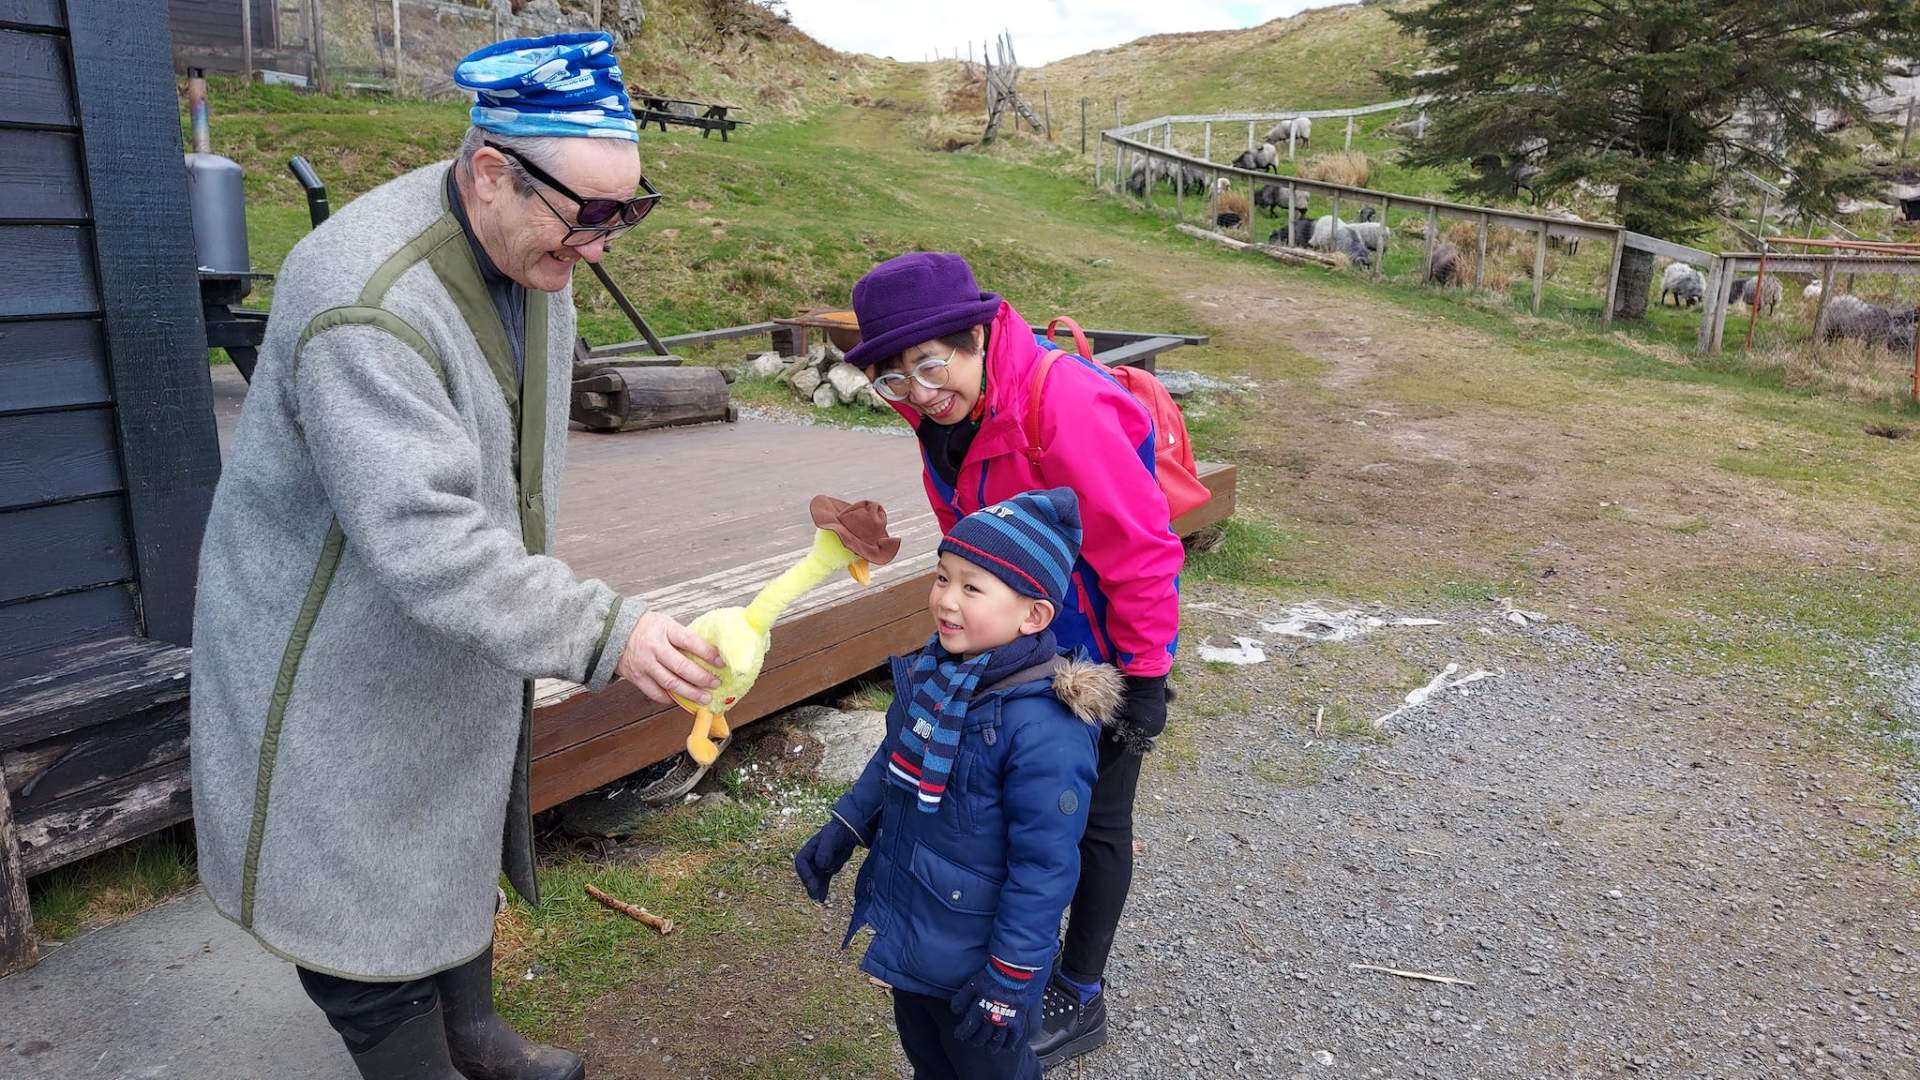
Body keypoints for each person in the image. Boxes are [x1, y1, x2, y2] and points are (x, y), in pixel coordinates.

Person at [189, 33, 721, 1080]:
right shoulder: (369, 303)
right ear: (490, 171)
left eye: (628, 209)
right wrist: (604, 630)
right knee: (358, 893)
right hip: (330, 642)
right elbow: (425, 541)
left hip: (448, 634)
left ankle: (473, 1035)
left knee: (449, 823)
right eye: (589, 214)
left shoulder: (535, 250)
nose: (604, 243)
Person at [841, 252, 1183, 1066]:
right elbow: (967, 538)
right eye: (895, 380)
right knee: (1010, 813)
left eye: (932, 365)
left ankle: (1080, 988)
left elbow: (1140, 547)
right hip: (1013, 649)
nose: (919, 393)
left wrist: (1146, 676)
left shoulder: (1062, 401)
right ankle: (999, 959)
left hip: (1094, 662)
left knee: (1093, 821)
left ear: (978, 337)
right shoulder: (938, 418)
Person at [793, 489, 1122, 1080]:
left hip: (982, 957)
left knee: (988, 1069)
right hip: (916, 923)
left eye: (972, 588)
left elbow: (1044, 867)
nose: (946, 600)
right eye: (942, 577)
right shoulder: (935, 675)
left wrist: (1012, 976)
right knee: (928, 1057)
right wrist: (844, 826)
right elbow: (893, 759)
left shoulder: (1046, 729)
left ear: (1033, 615)